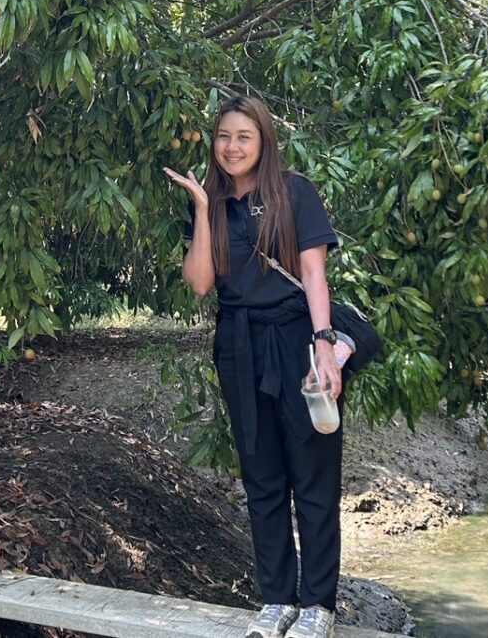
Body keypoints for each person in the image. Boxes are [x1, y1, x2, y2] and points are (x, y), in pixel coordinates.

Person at [164, 95, 343, 638]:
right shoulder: (212, 206)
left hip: (296, 338)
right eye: (223, 136)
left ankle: (318, 606)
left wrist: (324, 344)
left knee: (312, 474)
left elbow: (313, 274)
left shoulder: (294, 193)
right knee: (261, 476)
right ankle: (277, 600)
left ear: (263, 140)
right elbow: (200, 283)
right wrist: (201, 210)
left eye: (244, 136)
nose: (232, 147)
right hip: (238, 345)